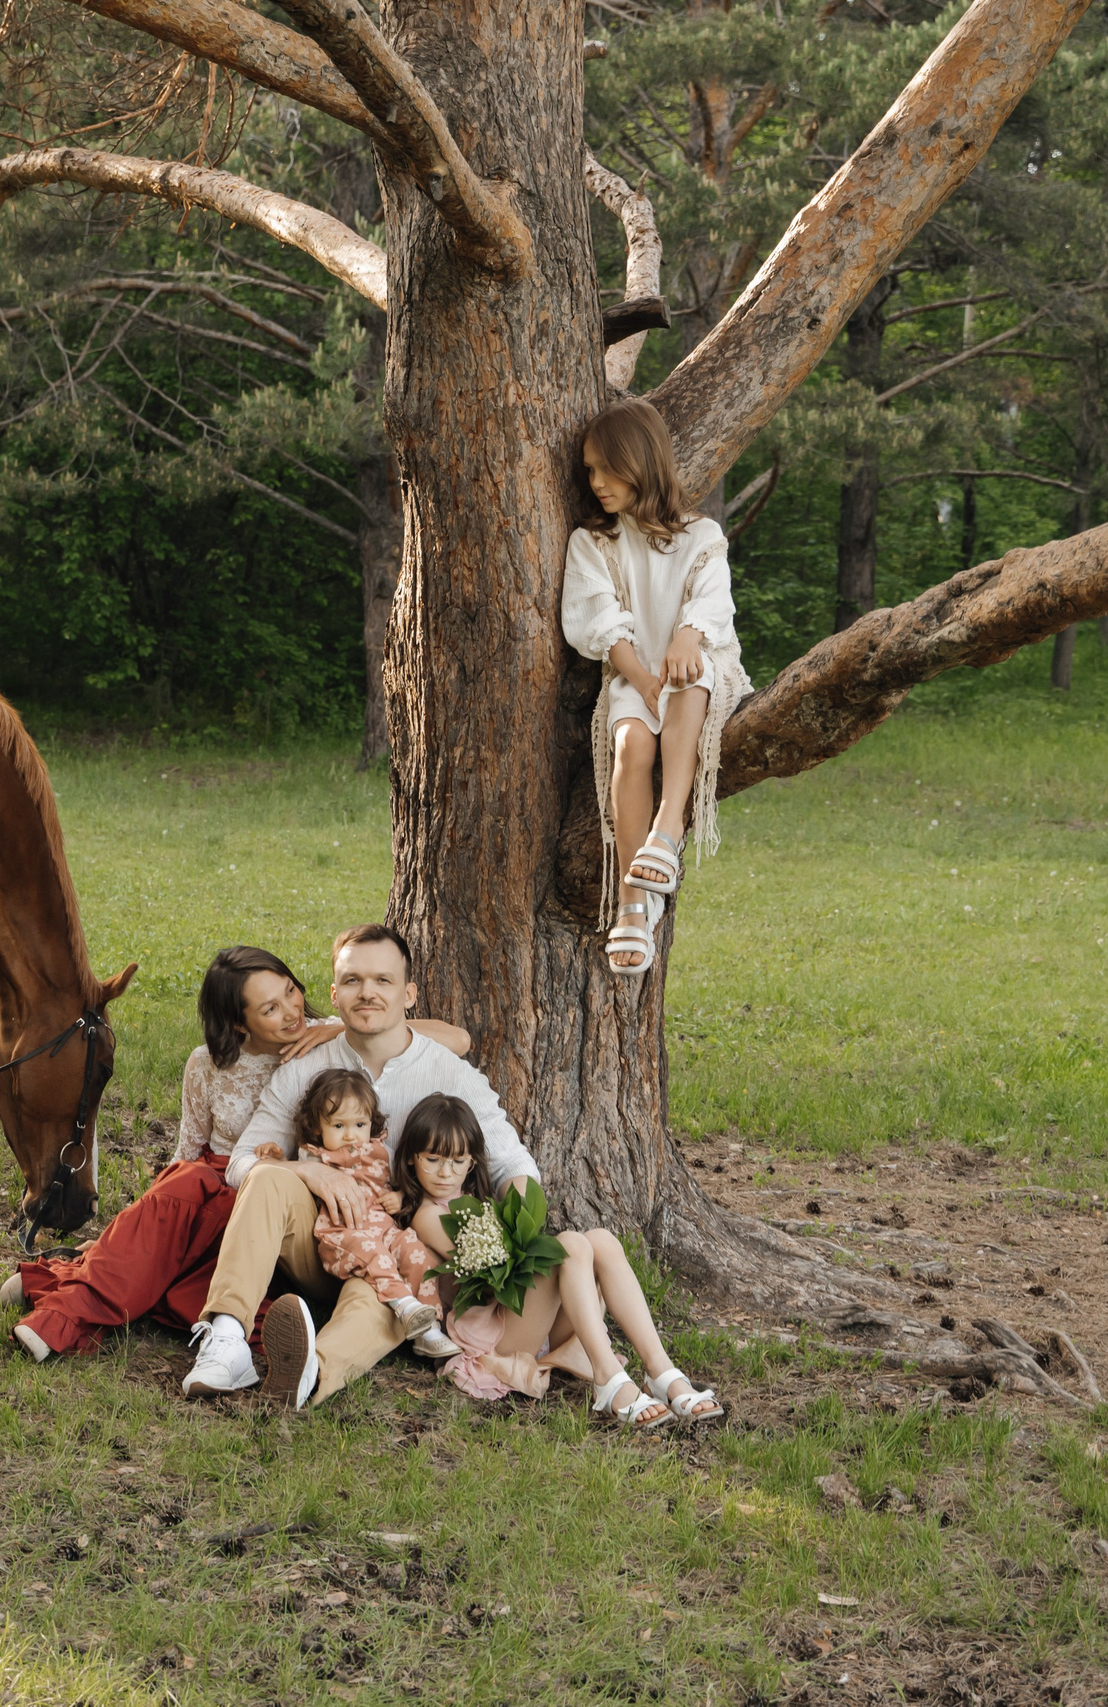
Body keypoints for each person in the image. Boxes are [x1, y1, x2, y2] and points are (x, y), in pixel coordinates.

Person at [1, 946, 469, 1360]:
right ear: (239, 1022)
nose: (291, 1011)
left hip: (273, 1194)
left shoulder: (325, 1036)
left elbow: (457, 1039)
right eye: (271, 1007)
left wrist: (339, 1030)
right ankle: (88, 1283)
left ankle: (70, 1291)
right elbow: (188, 1149)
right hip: (208, 1181)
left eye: (290, 991)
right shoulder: (204, 1064)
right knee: (183, 1185)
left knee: (181, 1235)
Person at [182, 923, 541, 1410]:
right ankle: (225, 1340)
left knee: (384, 1297)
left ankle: (310, 1373)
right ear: (334, 992)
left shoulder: (448, 1071)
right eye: (352, 981)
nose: (367, 992)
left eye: (383, 981)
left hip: (401, 1249)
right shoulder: (304, 1065)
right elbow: (240, 1163)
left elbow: (512, 1163)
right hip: (324, 1238)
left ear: (409, 993)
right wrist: (310, 1171)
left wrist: (511, 1247)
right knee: (268, 1174)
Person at [560, 396, 753, 977]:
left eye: (605, 468)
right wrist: (642, 678)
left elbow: (711, 604)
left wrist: (687, 639)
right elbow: (597, 618)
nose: (595, 482)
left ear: (639, 460)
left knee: (690, 684)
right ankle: (631, 903)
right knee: (631, 747)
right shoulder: (592, 544)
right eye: (588, 470)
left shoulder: (700, 536)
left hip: (699, 667)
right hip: (630, 673)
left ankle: (667, 831)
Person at [396, 1093, 719, 1422]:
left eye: (456, 1161)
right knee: (571, 1246)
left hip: (528, 1322)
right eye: (432, 1160)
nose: (444, 1172)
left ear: (473, 1162)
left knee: (602, 1241)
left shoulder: (476, 1202)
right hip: (492, 1339)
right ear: (411, 1158)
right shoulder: (427, 1215)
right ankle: (607, 1377)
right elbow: (493, 1273)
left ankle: (660, 1371)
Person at [282, 1067, 442, 1341]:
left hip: (385, 1228)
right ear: (318, 1127)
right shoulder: (314, 1156)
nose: (350, 1135)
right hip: (344, 1233)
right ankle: (405, 1305)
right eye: (338, 1126)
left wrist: (399, 1196)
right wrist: (276, 1155)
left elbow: (405, 1183)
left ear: (371, 1122)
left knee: (417, 1251)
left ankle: (431, 1326)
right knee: (375, 1255)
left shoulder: (383, 1151)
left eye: (359, 1124)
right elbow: (287, 1176)